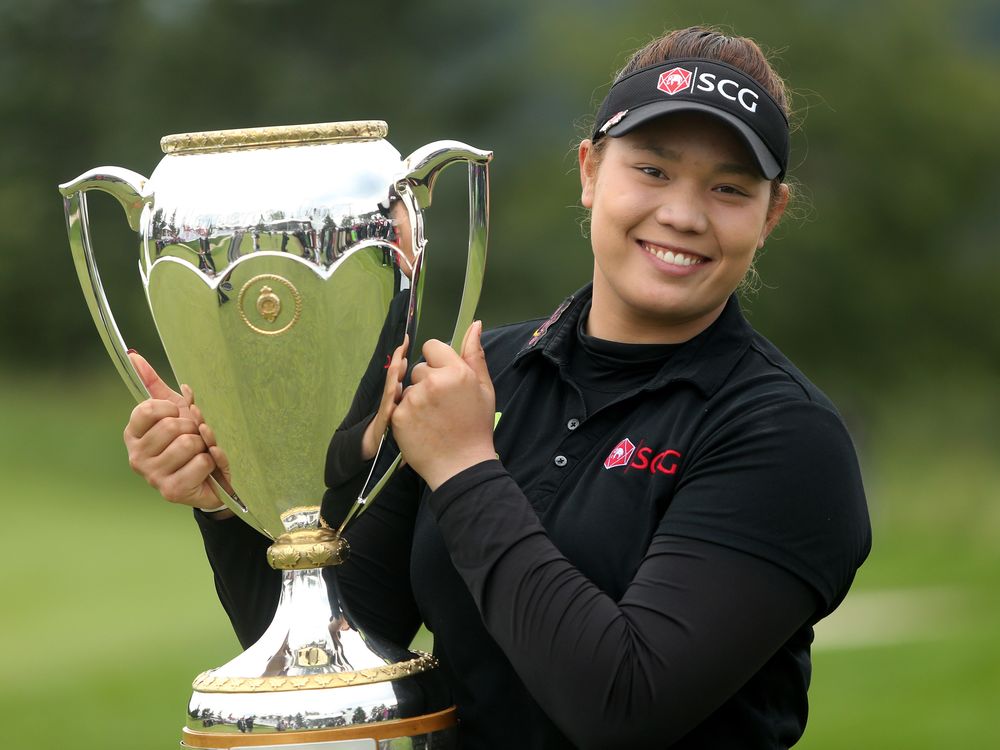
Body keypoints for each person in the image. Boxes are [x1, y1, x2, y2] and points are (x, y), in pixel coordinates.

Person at [124, 25, 871, 749]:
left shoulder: (783, 435)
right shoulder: (483, 379)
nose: (681, 213)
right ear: (589, 171)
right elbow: (331, 657)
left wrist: (466, 468)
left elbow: (626, 707)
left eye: (729, 188)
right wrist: (223, 503)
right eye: (651, 169)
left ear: (769, 215)